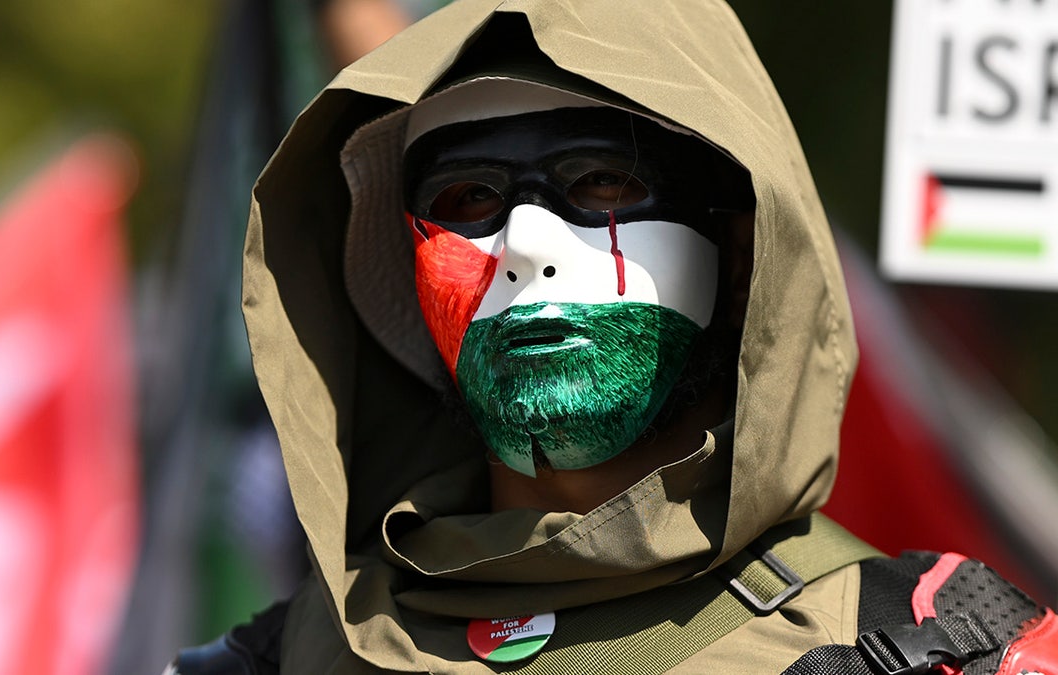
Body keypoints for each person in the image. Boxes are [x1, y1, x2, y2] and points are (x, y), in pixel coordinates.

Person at [165, 0, 1058, 672]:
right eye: (467, 200)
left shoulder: (946, 645)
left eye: (598, 182)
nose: (522, 243)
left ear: (743, 246)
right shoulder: (275, 660)